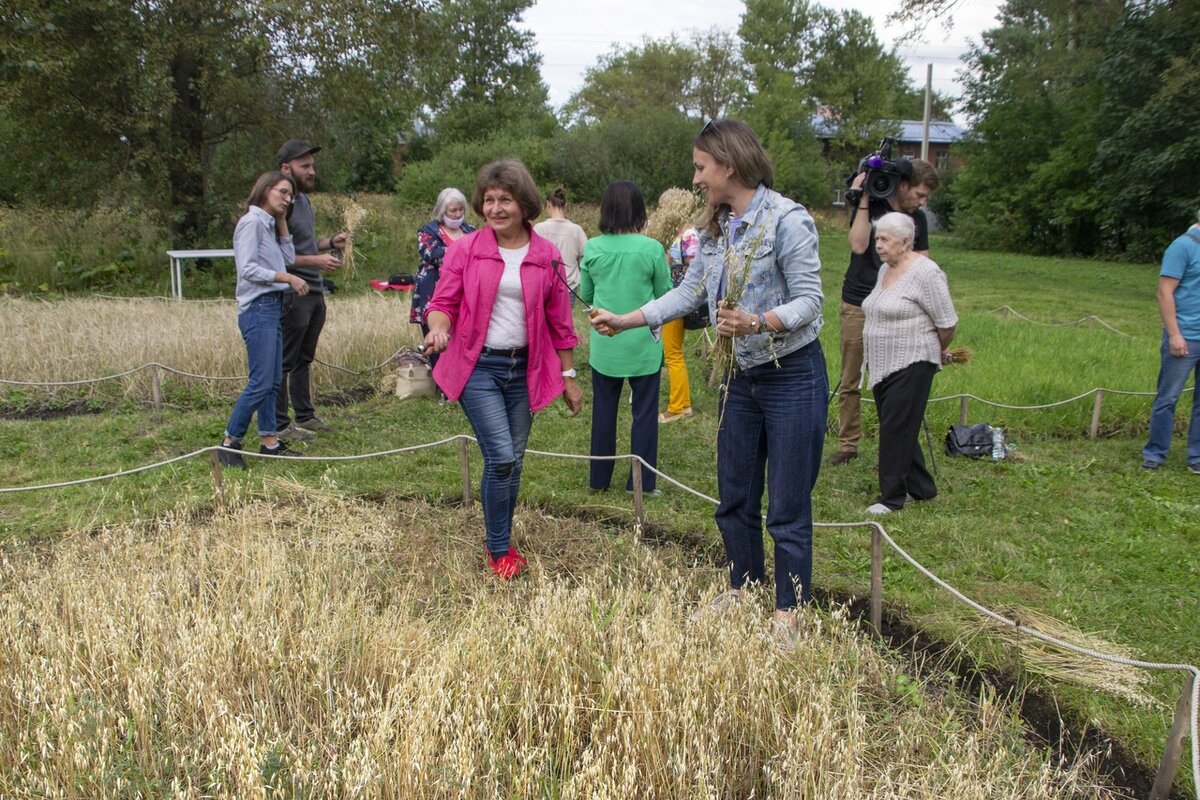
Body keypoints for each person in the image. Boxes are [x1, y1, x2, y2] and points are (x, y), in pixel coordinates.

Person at [588, 119, 827, 641]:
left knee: (787, 502)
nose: (695, 179)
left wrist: (758, 322)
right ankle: (742, 590)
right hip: (740, 377)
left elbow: (811, 302)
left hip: (792, 375)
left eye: (701, 168)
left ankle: (789, 613)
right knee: (734, 494)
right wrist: (628, 319)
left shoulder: (787, 221)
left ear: (729, 165)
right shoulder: (715, 229)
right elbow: (690, 291)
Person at [423, 159, 584, 580]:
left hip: (524, 368)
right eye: (489, 200)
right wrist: (438, 331)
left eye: (505, 200)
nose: (495, 208)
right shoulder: (466, 249)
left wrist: (568, 378)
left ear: (524, 203)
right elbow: (442, 304)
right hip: (478, 367)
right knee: (501, 457)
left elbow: (560, 322)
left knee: (514, 460)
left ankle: (501, 536)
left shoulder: (546, 255)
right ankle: (499, 550)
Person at [829, 158, 939, 466]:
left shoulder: (916, 221)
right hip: (857, 301)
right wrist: (863, 197)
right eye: (919, 194)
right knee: (851, 377)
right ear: (903, 185)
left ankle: (894, 445)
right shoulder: (872, 204)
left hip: (897, 309)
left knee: (893, 380)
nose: (922, 201)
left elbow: (922, 264)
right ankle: (848, 444)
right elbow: (858, 244)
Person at [579, 181, 672, 495]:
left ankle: (598, 479)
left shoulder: (592, 248)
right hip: (643, 345)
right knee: (644, 415)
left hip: (606, 345)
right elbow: (665, 297)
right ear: (640, 210)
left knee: (603, 413)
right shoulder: (652, 249)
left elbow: (587, 295)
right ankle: (643, 484)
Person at [861, 212, 958, 515]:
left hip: (914, 360)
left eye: (884, 240)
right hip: (882, 363)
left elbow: (948, 322)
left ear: (905, 242)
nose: (878, 245)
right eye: (877, 238)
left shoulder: (927, 273)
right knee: (900, 426)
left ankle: (892, 497)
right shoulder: (885, 270)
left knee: (894, 428)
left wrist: (936, 350)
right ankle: (922, 487)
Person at [218, 171, 312, 468]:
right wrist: (285, 278)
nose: (287, 199)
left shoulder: (268, 224)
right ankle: (230, 442)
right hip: (258, 309)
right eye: (283, 192)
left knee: (272, 381)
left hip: (272, 307)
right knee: (260, 381)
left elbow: (287, 256)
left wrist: (283, 221)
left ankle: (269, 441)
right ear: (265, 189)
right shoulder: (252, 223)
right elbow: (247, 268)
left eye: (291, 196)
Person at [275, 139, 348, 443]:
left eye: (312, 165)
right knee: (285, 360)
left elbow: (301, 244)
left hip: (315, 290)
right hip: (295, 291)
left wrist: (330, 243)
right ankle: (280, 423)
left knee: (305, 358)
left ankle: (305, 414)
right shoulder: (280, 204)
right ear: (285, 168)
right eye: (304, 166)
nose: (311, 171)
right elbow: (278, 256)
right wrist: (316, 261)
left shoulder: (303, 201)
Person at [1141, 210, 1200, 474]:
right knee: (1168, 397)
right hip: (1185, 336)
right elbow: (1165, 293)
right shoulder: (1183, 246)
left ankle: (1196, 457)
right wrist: (1175, 334)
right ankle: (1155, 453)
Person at [410, 187, 476, 370]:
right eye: (452, 211)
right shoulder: (428, 232)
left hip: (465, 293)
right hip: (434, 293)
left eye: (460, 209)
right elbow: (433, 254)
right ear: (442, 211)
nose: (457, 214)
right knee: (437, 337)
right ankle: (441, 385)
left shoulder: (470, 231)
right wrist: (464, 252)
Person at [653, 188, 703, 423]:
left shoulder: (690, 235)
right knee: (673, 352)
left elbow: (694, 271)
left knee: (672, 353)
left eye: (664, 207)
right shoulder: (680, 234)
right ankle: (684, 403)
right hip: (673, 298)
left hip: (678, 300)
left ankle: (677, 407)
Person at [533, 187, 588, 309]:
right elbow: (585, 257)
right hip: (569, 286)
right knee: (564, 325)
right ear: (565, 205)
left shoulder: (539, 229)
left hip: (544, 285)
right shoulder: (576, 230)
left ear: (548, 204)